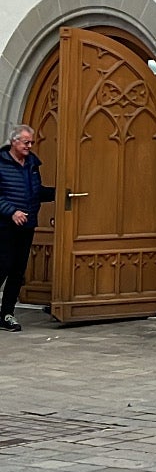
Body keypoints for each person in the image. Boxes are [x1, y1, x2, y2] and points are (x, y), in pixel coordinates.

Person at [0, 125, 52, 331]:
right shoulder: (1, 163)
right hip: (5, 226)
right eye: (26, 142)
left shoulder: (32, 164)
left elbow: (35, 192)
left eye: (31, 142)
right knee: (3, 266)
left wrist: (61, 192)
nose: (29, 146)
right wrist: (12, 211)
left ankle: (6, 314)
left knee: (17, 271)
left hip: (26, 226)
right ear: (14, 142)